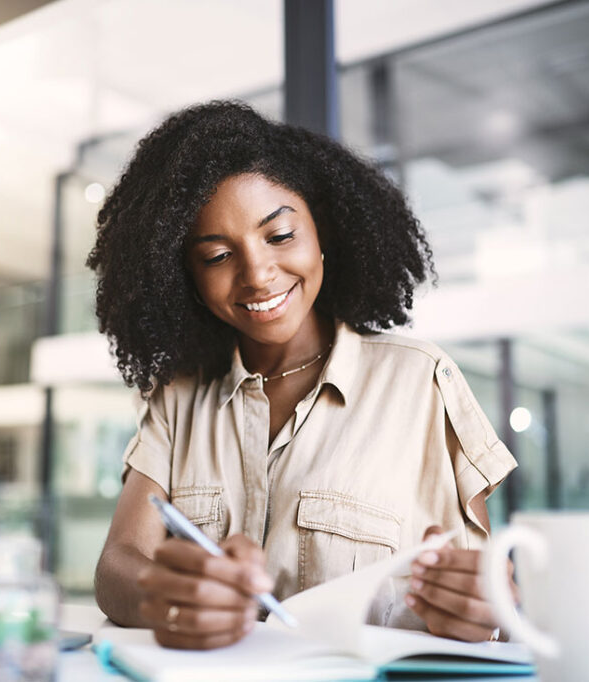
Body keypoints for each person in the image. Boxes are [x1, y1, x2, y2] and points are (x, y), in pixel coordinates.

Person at [88, 101, 518, 650]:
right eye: (218, 256)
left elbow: (486, 605)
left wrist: (482, 607)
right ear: (183, 276)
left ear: (324, 231)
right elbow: (116, 566)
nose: (257, 274)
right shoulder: (179, 397)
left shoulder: (421, 381)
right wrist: (165, 594)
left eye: (281, 235)